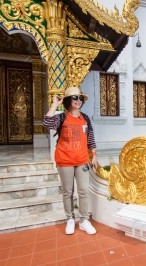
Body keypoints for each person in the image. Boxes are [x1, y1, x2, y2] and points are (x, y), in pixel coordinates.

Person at [43, 86, 99, 235]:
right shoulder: (62, 117)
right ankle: (70, 219)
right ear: (68, 100)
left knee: (83, 191)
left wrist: (94, 155)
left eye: (80, 98)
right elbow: (47, 123)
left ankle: (84, 220)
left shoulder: (85, 118)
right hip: (65, 160)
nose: (78, 101)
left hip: (82, 160)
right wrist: (55, 104)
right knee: (68, 192)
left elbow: (90, 138)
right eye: (75, 98)